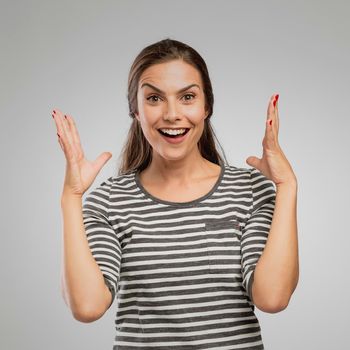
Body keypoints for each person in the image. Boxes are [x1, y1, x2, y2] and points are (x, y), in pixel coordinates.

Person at [54, 38, 299, 349]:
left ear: (206, 105)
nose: (171, 114)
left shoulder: (250, 192)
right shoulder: (109, 202)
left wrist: (287, 186)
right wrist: (71, 197)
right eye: (154, 98)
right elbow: (87, 307)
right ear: (136, 110)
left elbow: (273, 298)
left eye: (187, 97)